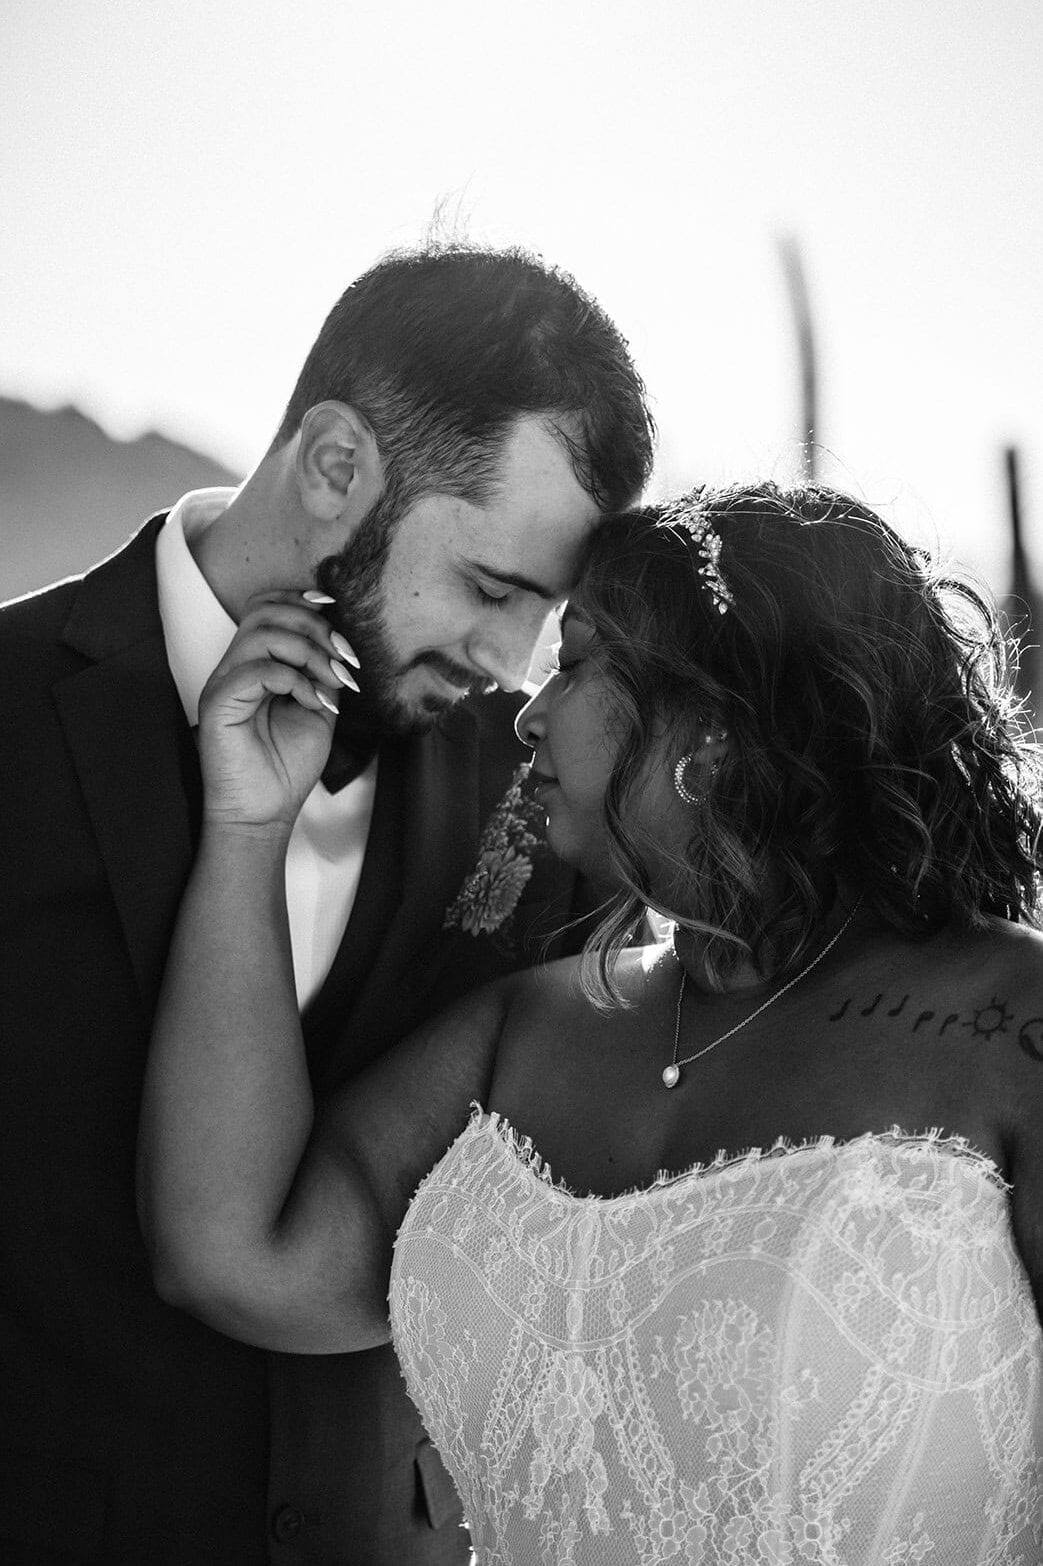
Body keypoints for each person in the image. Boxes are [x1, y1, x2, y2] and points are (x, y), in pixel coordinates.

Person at [139, 478, 1043, 1563]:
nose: (524, 712)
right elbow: (235, 1254)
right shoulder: (520, 1034)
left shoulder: (1010, 1029)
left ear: (705, 733)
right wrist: (247, 823)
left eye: (573, 664)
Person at [0, 243, 654, 1564]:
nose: (506, 670)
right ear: (338, 465)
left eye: (546, 617)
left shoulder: (537, 790)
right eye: (490, 590)